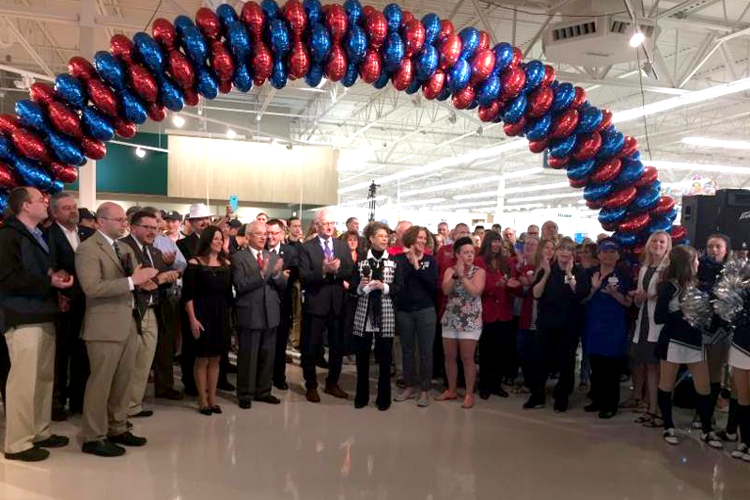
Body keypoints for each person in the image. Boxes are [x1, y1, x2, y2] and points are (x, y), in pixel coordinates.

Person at [76, 202, 158, 457]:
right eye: (119, 219)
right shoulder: (88, 250)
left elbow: (132, 282)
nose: (124, 223)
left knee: (123, 382)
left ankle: (117, 427)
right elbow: (92, 288)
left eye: (125, 219)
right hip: (103, 326)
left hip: (128, 322)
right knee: (100, 384)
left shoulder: (123, 248)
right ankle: (93, 435)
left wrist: (143, 283)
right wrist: (133, 281)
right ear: (101, 222)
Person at [0, 187, 74, 462]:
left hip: (43, 312)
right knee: (23, 382)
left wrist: (57, 284)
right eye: (40, 201)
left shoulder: (37, 235)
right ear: (25, 206)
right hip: (21, 316)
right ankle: (17, 442)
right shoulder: (8, 236)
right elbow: (6, 278)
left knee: (44, 379)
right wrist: (49, 282)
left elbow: (39, 272)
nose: (46, 204)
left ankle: (40, 431)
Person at [655, 245, 722, 448]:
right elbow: (659, 318)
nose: (698, 263)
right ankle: (668, 425)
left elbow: (706, 319)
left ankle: (706, 430)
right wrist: (684, 311)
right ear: (687, 263)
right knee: (666, 384)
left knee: (703, 387)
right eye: (695, 260)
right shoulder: (668, 286)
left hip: (695, 343)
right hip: (673, 342)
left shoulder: (698, 286)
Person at [119, 211, 180, 418]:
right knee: (128, 363)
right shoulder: (123, 247)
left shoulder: (154, 252)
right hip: (132, 311)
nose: (152, 232)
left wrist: (169, 274)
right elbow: (134, 282)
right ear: (133, 227)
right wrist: (159, 280)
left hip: (154, 310)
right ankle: (120, 407)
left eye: (155, 228)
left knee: (144, 361)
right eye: (147, 227)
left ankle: (134, 404)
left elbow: (158, 280)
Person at [46, 192, 95, 421]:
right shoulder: (49, 236)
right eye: (66, 208)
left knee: (82, 352)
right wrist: (58, 294)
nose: (73, 211)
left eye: (74, 206)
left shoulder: (88, 234)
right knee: (61, 354)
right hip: (63, 303)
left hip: (89, 302)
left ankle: (79, 399)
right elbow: (51, 269)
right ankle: (57, 401)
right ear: (54, 213)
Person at [298, 208, 353, 402]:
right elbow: (303, 276)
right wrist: (322, 270)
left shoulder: (342, 246)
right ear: (317, 225)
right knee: (311, 347)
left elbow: (350, 271)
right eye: (325, 224)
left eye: (332, 223)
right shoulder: (307, 247)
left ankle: (332, 383)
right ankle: (311, 385)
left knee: (337, 346)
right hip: (315, 303)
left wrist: (337, 271)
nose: (329, 227)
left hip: (337, 304)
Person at [232, 221, 287, 409]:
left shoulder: (272, 256)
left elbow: (281, 285)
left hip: (270, 312)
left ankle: (264, 391)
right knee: (248, 355)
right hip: (250, 313)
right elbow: (240, 285)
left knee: (267, 355)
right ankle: (245, 393)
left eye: (265, 234)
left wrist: (279, 274)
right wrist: (262, 274)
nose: (264, 237)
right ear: (248, 237)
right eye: (259, 234)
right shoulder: (238, 257)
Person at [350, 222, 403, 410]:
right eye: (381, 236)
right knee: (362, 357)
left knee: (384, 358)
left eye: (387, 236)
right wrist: (362, 286)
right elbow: (353, 289)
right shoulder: (361, 261)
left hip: (386, 313)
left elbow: (399, 288)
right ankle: (361, 396)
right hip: (364, 312)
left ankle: (383, 398)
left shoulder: (394, 262)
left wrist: (384, 286)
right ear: (371, 238)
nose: (385, 239)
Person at [578, 238, 633, 419]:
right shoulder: (590, 274)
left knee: (611, 368)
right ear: (598, 254)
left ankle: (610, 404)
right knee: (597, 365)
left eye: (612, 252)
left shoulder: (624, 275)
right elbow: (582, 300)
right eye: (604, 251)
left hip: (614, 327)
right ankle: (598, 399)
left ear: (618, 255)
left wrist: (614, 293)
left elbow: (628, 302)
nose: (608, 255)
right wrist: (593, 289)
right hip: (594, 325)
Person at [526, 237, 581, 412]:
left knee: (566, 362)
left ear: (573, 254)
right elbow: (535, 294)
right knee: (540, 360)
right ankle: (537, 395)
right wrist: (547, 273)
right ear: (557, 252)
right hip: (546, 323)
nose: (565, 252)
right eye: (562, 249)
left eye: (569, 249)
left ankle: (562, 396)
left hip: (568, 325)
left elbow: (580, 293)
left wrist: (570, 274)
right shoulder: (547, 270)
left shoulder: (578, 271)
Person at [182, 226, 233, 415]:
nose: (219, 242)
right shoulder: (194, 263)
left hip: (220, 316)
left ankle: (213, 398)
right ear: (207, 241)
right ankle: (202, 399)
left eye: (221, 239)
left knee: (216, 359)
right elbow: (188, 295)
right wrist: (193, 320)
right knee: (202, 359)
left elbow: (228, 296)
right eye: (216, 239)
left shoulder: (226, 264)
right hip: (201, 315)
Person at [627, 230, 671, 427]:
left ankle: (660, 411)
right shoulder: (645, 267)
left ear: (668, 245)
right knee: (649, 367)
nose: (658, 244)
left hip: (660, 324)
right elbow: (642, 296)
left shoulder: (669, 268)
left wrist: (649, 295)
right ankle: (651, 408)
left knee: (660, 369)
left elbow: (669, 295)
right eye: (655, 241)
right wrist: (638, 297)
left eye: (662, 242)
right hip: (644, 321)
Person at [437, 237, 486, 409]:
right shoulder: (450, 270)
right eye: (465, 252)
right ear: (457, 254)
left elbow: (475, 291)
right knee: (450, 356)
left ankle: (469, 393)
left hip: (470, 320)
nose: (469, 255)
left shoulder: (479, 272)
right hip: (451, 318)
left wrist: (463, 276)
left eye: (472, 252)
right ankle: (451, 389)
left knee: (467, 357)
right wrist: (456, 275)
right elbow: (445, 290)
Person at [393, 226, 438, 407]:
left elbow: (431, 285)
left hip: (425, 311)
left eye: (424, 238)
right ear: (411, 238)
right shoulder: (398, 260)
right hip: (405, 311)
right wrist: (410, 262)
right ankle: (409, 385)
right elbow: (399, 284)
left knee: (426, 351)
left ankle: (425, 390)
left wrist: (416, 265)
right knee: (408, 350)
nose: (422, 241)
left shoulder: (430, 261)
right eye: (419, 237)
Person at [697, 233, 732, 434]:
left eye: (718, 246)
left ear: (726, 250)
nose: (714, 250)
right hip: (700, 326)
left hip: (721, 328)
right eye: (710, 246)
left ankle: (708, 416)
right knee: (699, 372)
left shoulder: (732, 272)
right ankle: (700, 413)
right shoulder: (697, 269)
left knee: (714, 372)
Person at [478, 231, 519, 400]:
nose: (496, 244)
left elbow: (514, 284)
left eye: (498, 241)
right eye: (493, 241)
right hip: (486, 312)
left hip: (504, 313)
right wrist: (496, 285)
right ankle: (484, 385)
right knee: (486, 352)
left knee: (500, 351)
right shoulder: (479, 262)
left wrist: (510, 285)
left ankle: (496, 383)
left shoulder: (507, 262)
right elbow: (479, 287)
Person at [265, 219, 297, 392]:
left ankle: (279, 377)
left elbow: (293, 276)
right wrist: (277, 274)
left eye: (275, 233)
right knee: (264, 343)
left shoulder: (290, 252)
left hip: (283, 304)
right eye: (268, 233)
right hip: (263, 303)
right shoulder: (259, 252)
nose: (271, 236)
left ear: (282, 234)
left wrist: (281, 276)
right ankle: (262, 376)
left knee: (280, 344)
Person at [515, 236, 543, 394]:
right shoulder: (522, 266)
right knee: (523, 350)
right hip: (524, 315)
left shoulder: (543, 267)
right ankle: (528, 382)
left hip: (539, 317)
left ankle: (535, 384)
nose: (530, 247)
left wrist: (529, 282)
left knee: (536, 352)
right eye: (527, 244)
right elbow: (519, 290)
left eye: (534, 244)